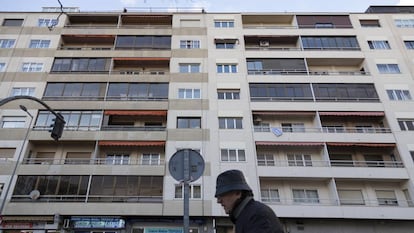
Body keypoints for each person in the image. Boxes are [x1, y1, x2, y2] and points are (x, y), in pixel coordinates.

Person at [215, 169, 285, 233]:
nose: (219, 201)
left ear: (238, 193)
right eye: (218, 196)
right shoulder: (247, 214)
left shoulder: (257, 215)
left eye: (222, 194)